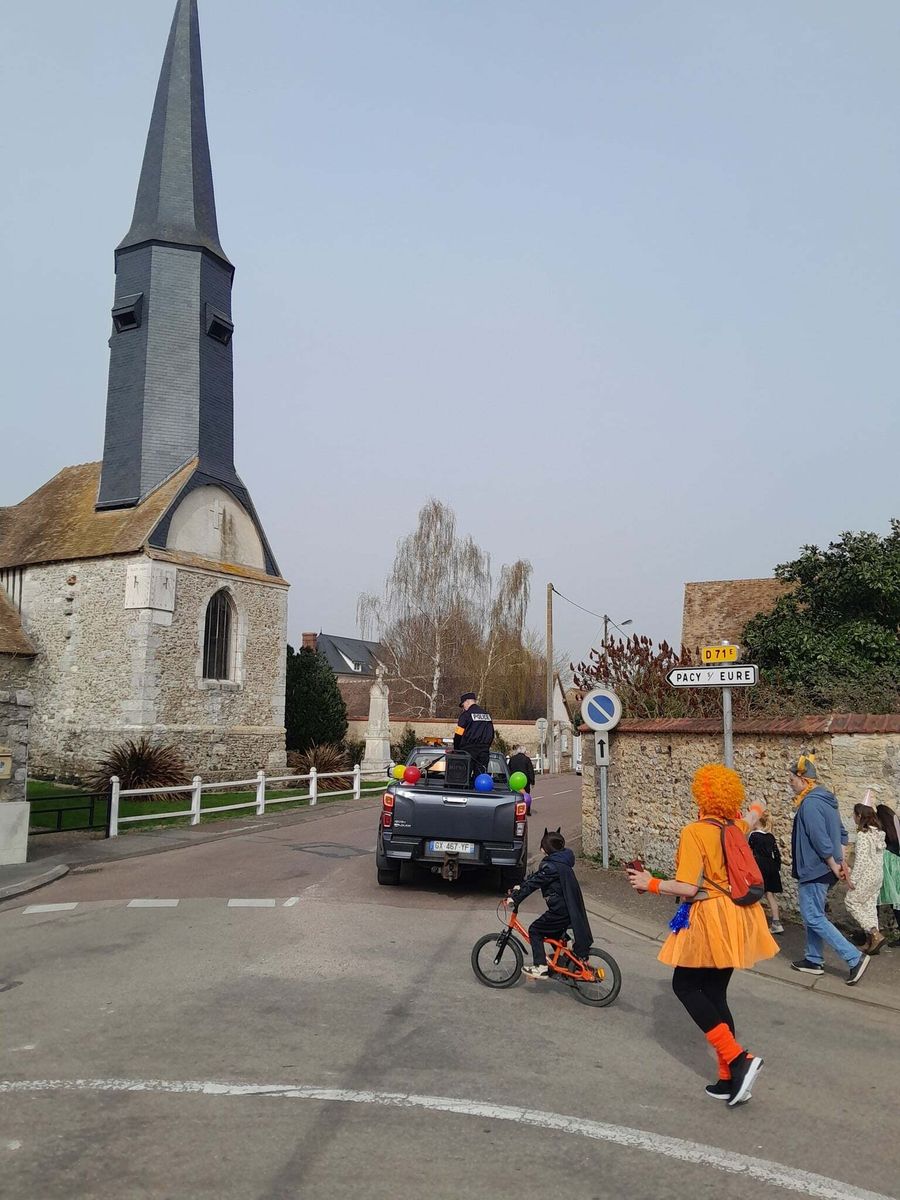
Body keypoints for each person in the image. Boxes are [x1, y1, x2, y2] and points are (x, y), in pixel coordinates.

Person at [626, 764, 777, 1107]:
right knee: (715, 994)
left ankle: (738, 1060)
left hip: (710, 917)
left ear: (702, 796)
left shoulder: (695, 831)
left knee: (684, 986)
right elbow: (752, 816)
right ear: (729, 797)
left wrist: (650, 882)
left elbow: (688, 887)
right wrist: (759, 803)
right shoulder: (735, 827)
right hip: (738, 916)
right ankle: (729, 1079)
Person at [788, 754, 870, 986]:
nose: (790, 784)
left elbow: (819, 838)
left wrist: (835, 865)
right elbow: (842, 834)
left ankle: (854, 958)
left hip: (815, 868)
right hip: (823, 867)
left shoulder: (810, 803)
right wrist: (839, 861)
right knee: (814, 914)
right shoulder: (827, 801)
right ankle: (813, 959)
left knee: (812, 915)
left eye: (792, 780)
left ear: (804, 780)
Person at [507, 828, 593, 979]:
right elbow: (536, 877)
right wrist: (520, 886)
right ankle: (566, 957)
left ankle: (540, 967)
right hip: (566, 909)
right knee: (553, 933)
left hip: (560, 911)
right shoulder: (560, 861)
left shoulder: (551, 866)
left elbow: (535, 883)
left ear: (545, 849)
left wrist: (516, 898)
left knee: (535, 930)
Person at [845, 803, 886, 955]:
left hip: (866, 876)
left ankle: (874, 933)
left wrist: (853, 880)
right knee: (869, 906)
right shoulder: (878, 834)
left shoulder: (863, 836)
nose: (853, 817)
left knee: (851, 901)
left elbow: (861, 861)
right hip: (877, 875)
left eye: (854, 814)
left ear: (860, 816)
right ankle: (871, 943)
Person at [748, 812, 784, 934]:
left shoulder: (753, 835)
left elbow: (749, 852)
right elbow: (777, 854)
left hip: (759, 866)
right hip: (771, 866)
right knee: (770, 895)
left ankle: (755, 923)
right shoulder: (770, 836)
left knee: (755, 895)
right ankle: (776, 923)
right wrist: (777, 868)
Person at [453, 692, 494, 781]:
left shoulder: (466, 715)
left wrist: (456, 749)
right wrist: (486, 747)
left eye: (463, 705)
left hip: (468, 751)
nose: (463, 708)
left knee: (463, 778)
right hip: (483, 752)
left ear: (467, 702)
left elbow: (458, 734)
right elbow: (491, 733)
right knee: (480, 778)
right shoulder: (486, 715)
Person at [875, 802, 900, 936]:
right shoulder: (896, 830)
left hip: (887, 868)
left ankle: (873, 933)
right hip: (897, 865)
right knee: (896, 903)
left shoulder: (882, 834)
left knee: (876, 901)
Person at [507, 745, 536, 812]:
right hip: (525, 781)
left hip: (514, 781)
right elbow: (530, 771)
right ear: (524, 752)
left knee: (515, 796)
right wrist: (532, 782)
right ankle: (527, 810)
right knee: (526, 795)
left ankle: (515, 810)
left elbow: (508, 770)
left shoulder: (512, 759)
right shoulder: (527, 759)